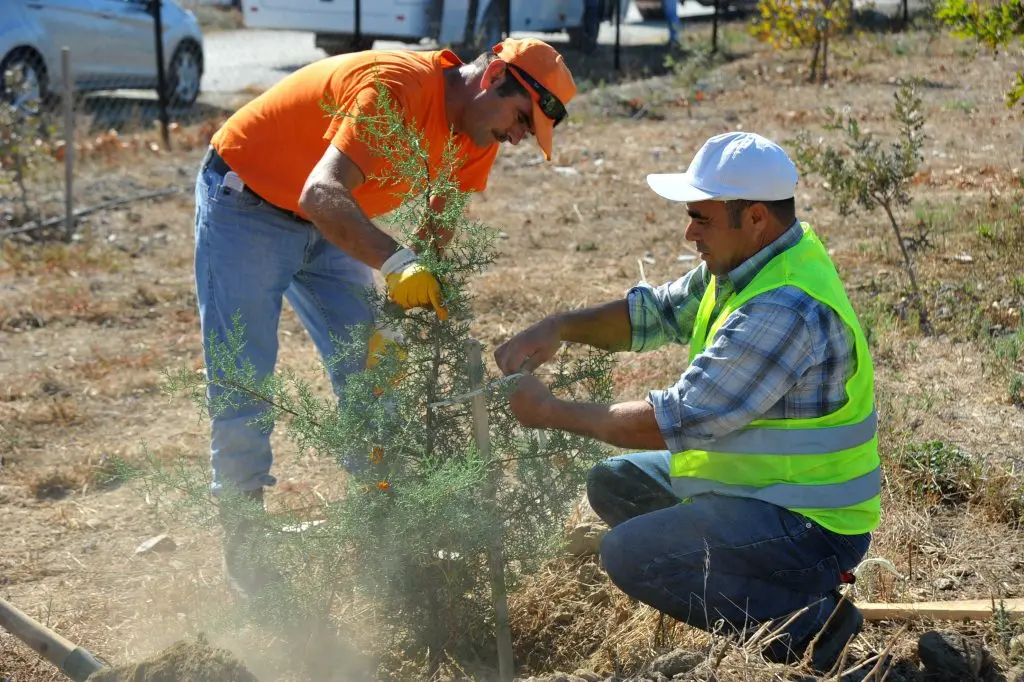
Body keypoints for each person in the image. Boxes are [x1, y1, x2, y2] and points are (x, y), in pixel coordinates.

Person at [195, 37, 577, 596]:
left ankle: (387, 545)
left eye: (531, 132)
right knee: (242, 381)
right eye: (522, 118)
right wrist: (397, 263)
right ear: (493, 75)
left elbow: (436, 237)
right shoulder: (397, 86)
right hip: (247, 202)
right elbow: (320, 192)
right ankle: (248, 560)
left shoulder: (478, 132)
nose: (519, 136)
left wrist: (404, 325)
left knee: (378, 385)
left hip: (336, 225)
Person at [494, 132, 879, 672]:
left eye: (701, 217)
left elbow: (673, 421)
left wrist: (549, 411)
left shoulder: (784, 307)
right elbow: (654, 313)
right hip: (761, 489)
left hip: (812, 528)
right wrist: (559, 327)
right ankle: (758, 581)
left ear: (756, 218)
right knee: (615, 482)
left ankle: (810, 625)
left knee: (630, 554)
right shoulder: (751, 262)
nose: (688, 231)